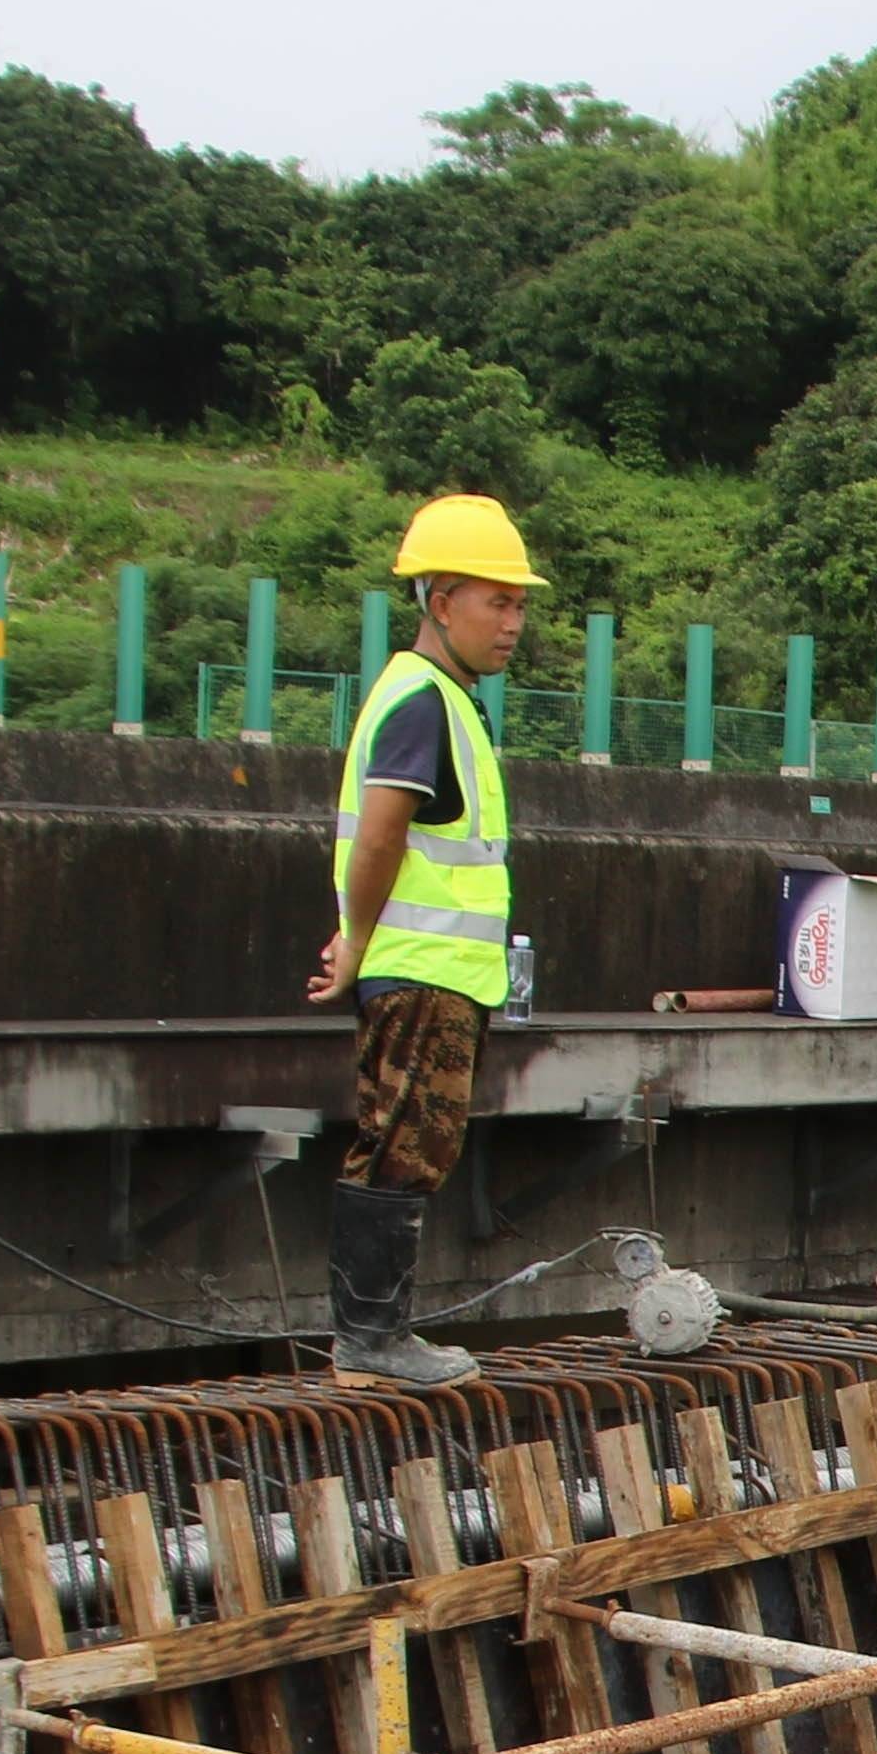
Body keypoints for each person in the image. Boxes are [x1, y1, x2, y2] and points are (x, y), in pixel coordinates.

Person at [304, 495, 540, 1381]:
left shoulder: (441, 699)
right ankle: (371, 1339)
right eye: (495, 602)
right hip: (420, 971)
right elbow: (381, 832)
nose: (512, 624)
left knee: (408, 1141)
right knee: (402, 1141)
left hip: (435, 970)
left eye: (519, 605)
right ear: (441, 603)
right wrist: (357, 942)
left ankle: (374, 1336)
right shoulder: (421, 701)